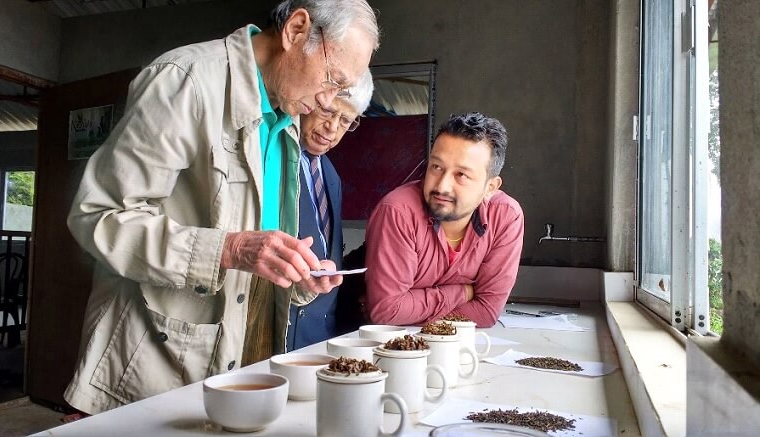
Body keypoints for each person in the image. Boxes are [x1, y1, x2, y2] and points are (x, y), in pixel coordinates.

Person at [63, 0, 379, 414]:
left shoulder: (285, 125)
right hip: (152, 364)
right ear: (296, 30)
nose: (329, 103)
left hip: (244, 353)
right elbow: (97, 217)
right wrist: (228, 249)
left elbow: (258, 258)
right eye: (333, 80)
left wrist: (297, 276)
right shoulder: (186, 80)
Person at [365, 112, 524, 328]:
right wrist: (462, 292)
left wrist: (411, 309)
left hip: (460, 350)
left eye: (461, 175)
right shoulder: (398, 212)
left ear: (490, 188)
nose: (442, 186)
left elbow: (486, 313)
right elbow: (387, 312)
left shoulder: (506, 217)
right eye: (436, 167)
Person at [287, 70, 374, 351]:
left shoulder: (331, 175)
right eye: (327, 112)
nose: (332, 129)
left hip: (318, 337)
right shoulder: (276, 158)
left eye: (345, 120)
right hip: (277, 334)